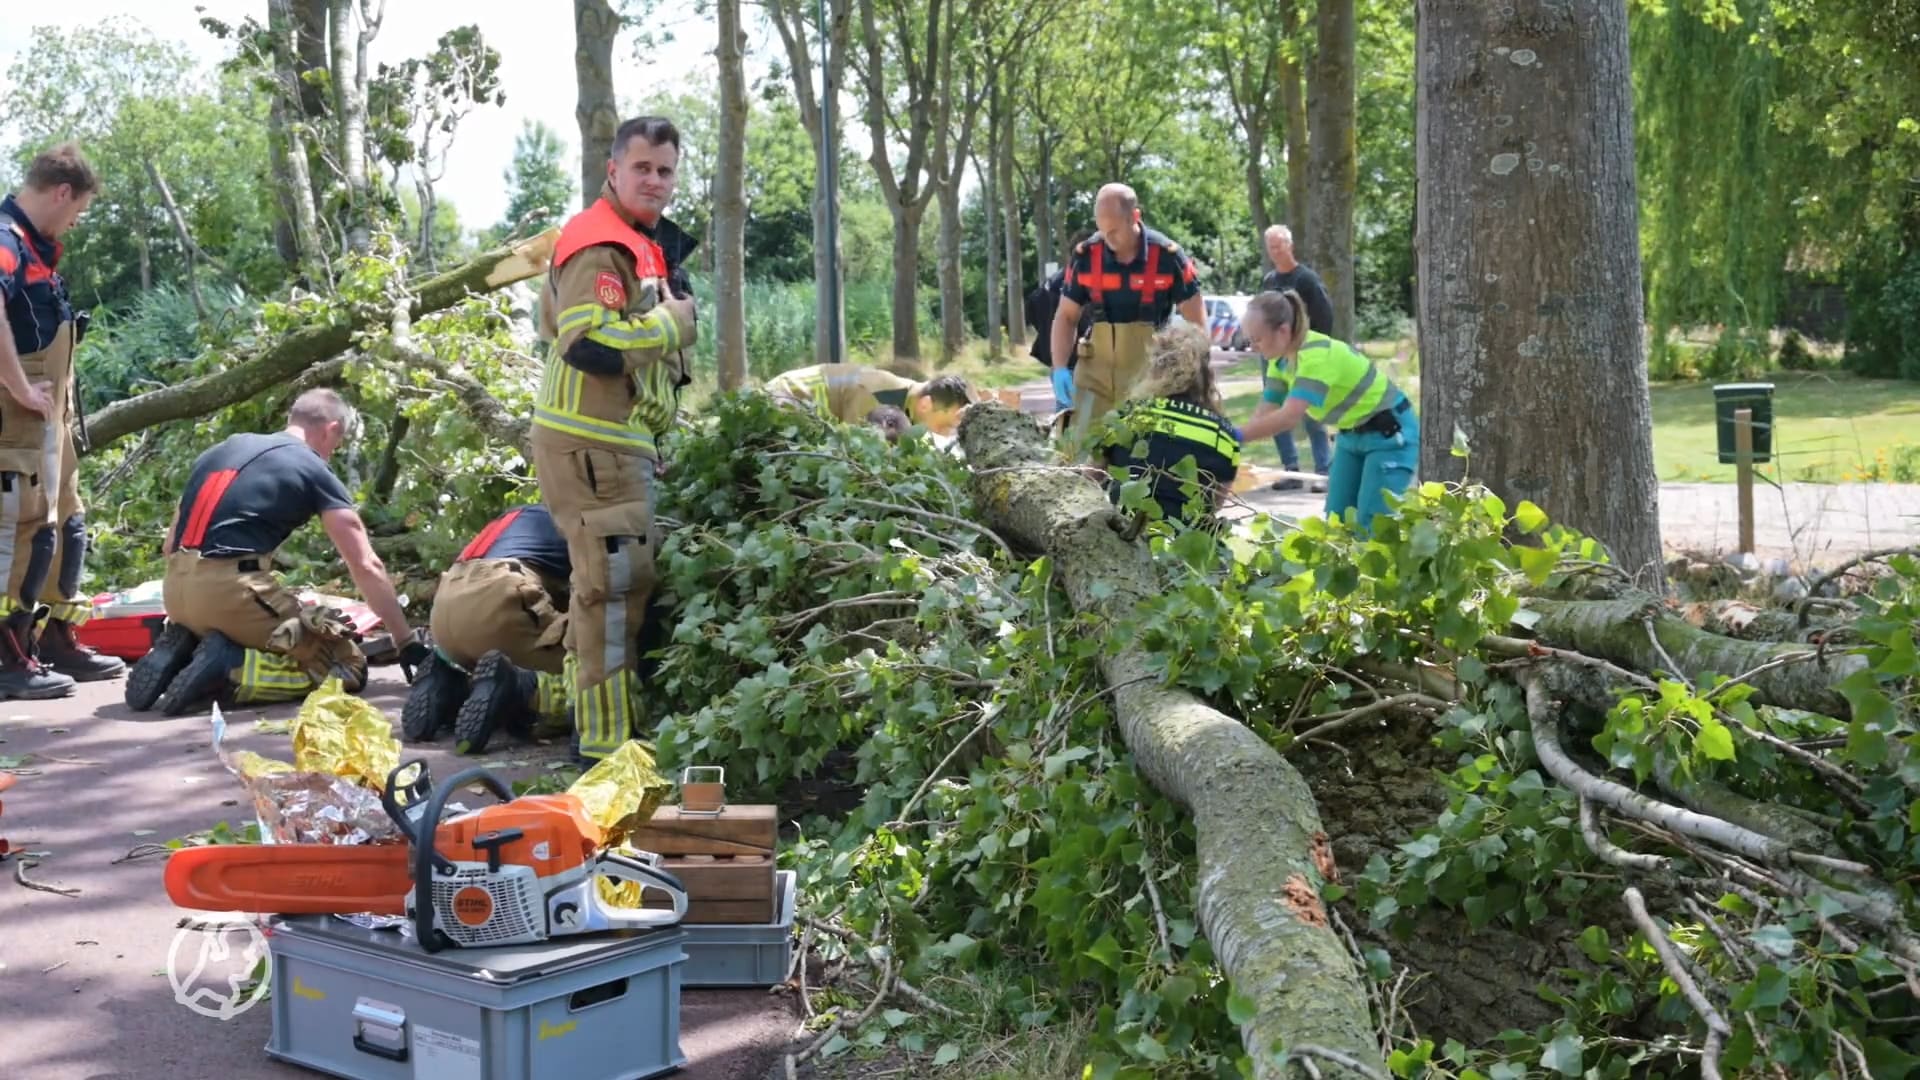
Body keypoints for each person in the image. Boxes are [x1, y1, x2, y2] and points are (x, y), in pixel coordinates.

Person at [531, 115, 698, 764]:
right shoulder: (601, 243)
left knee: (610, 584)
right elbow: (588, 345)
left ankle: (554, 702)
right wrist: (670, 327)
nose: (655, 181)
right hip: (589, 445)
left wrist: (650, 436)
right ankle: (606, 750)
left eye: (665, 171)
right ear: (614, 170)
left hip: (615, 444)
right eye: (642, 168)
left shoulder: (638, 241)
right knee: (612, 587)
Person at [125, 389, 426, 715]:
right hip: (230, 595)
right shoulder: (312, 467)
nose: (332, 453)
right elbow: (366, 564)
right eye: (336, 445)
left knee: (280, 607)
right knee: (347, 663)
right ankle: (230, 670)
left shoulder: (218, 452)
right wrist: (405, 642)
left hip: (176, 592)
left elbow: (170, 545)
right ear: (332, 429)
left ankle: (189, 646)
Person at [0, 143, 125, 700]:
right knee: (24, 531)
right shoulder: (5, 240)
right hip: (16, 422)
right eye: (80, 208)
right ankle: (8, 656)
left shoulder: (37, 247)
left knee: (66, 527)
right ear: (61, 192)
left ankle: (51, 639)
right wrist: (20, 386)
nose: (78, 219)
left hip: (53, 419)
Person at [1237, 290, 1417, 533]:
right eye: (1249, 340)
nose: (1253, 347)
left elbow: (1289, 416)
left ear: (1283, 331)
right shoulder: (1280, 360)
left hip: (1389, 435)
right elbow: (1265, 411)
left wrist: (1234, 436)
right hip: (1349, 436)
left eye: (1257, 339)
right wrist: (1230, 448)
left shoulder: (1315, 356)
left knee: (1374, 527)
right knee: (1337, 523)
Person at [402, 503, 572, 753]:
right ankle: (519, 689)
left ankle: (451, 686)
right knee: (584, 669)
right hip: (500, 599)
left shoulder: (513, 517)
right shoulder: (568, 519)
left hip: (446, 606)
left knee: (487, 667)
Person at [1050, 184, 1204, 450]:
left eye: (1114, 231)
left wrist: (1194, 377)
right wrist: (1060, 367)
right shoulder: (1086, 257)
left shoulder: (1168, 258)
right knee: (1078, 454)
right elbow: (1065, 316)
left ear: (1135, 217)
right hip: (1094, 377)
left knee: (1142, 461)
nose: (1107, 239)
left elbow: (1197, 325)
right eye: (1101, 229)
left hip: (1149, 377)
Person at [1096, 323, 1240, 532]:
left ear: (1155, 365)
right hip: (1186, 547)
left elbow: (1091, 477)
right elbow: (1215, 505)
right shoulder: (1224, 436)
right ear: (1207, 372)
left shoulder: (1126, 417)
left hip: (1122, 538)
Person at [1259, 225, 1334, 492]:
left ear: (1290, 246)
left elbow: (1325, 317)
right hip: (1274, 357)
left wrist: (1311, 349)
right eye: (1271, 247)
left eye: (1279, 245)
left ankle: (1323, 472)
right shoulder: (1268, 281)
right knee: (1276, 409)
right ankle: (1290, 470)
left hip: (1304, 356)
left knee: (1311, 412)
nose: (1275, 251)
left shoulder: (1306, 280)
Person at [764, 364, 973, 437]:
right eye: (945, 425)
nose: (946, 432)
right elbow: (856, 452)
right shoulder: (877, 397)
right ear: (926, 404)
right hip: (780, 400)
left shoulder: (900, 396)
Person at [1024, 230, 1095, 372]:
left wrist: (1047, 334)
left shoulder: (1052, 282)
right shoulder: (1084, 279)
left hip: (1056, 358)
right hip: (1082, 358)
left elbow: (1032, 308)